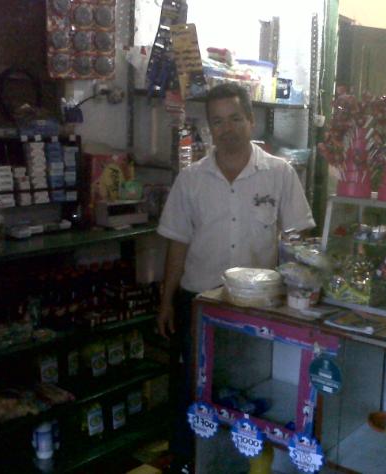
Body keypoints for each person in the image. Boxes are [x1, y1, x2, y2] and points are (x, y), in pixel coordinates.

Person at [156, 82, 315, 473]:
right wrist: (166, 301)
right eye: (217, 122)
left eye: (234, 119)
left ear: (250, 120)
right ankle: (189, 461)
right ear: (209, 127)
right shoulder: (191, 179)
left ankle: (241, 462)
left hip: (257, 308)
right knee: (192, 386)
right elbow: (177, 244)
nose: (226, 129)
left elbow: (297, 239)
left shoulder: (279, 173)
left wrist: (300, 295)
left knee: (249, 386)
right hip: (198, 302)